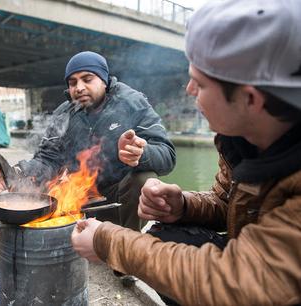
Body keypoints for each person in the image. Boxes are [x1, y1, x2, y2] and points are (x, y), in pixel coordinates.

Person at [71, 1, 301, 305]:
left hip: (267, 285)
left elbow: (248, 284)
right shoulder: (241, 141)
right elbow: (227, 205)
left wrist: (107, 241)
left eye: (200, 82)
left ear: (250, 99)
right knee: (166, 234)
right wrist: (183, 206)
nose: (189, 89)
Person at [0, 51, 176, 231]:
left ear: (104, 80)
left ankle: (127, 246)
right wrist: (15, 172)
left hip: (118, 203)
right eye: (72, 83)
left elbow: (167, 156)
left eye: (87, 79)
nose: (79, 88)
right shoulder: (64, 113)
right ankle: (66, 230)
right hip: (81, 201)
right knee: (39, 188)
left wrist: (143, 153)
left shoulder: (133, 104)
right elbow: (47, 159)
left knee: (144, 178)